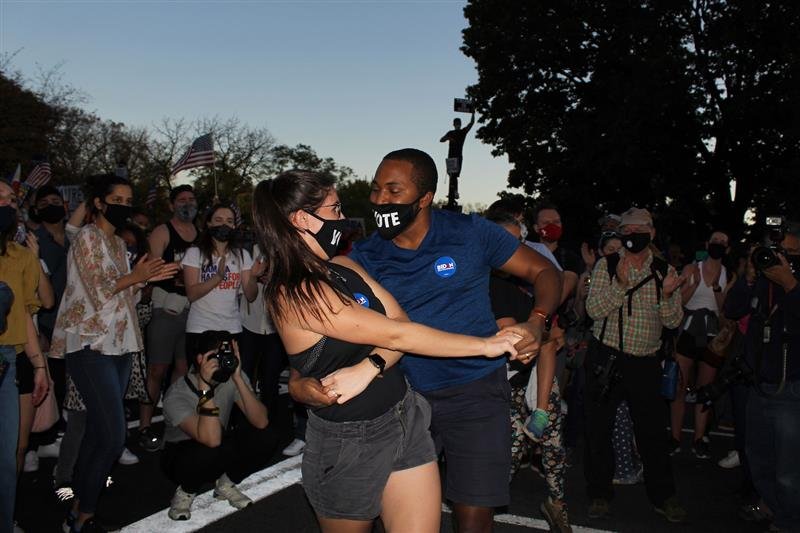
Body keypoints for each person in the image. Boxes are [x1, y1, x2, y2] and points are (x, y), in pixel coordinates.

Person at [292, 149, 561, 532]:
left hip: (476, 394)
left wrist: (537, 322)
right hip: (404, 402)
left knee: (474, 518)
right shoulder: (364, 256)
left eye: (393, 190)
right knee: (402, 518)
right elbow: (326, 333)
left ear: (424, 198)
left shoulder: (471, 232)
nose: (379, 200)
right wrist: (299, 379)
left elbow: (543, 271)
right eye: (375, 189)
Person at [50, 173, 178, 533]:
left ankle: (78, 506)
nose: (124, 206)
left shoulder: (120, 246)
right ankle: (83, 515)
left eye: (128, 200)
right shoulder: (87, 238)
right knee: (112, 435)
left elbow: (123, 296)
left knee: (98, 433)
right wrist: (137, 277)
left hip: (120, 344)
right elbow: (97, 288)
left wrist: (145, 281)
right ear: (100, 204)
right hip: (91, 345)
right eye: (117, 200)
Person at [584, 207, 688, 523]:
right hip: (607, 357)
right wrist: (620, 285)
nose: (632, 236)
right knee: (598, 431)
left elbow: (673, 320)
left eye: (638, 229)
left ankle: (663, 497)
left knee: (653, 433)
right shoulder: (607, 264)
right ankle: (599, 495)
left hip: (645, 363)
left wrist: (669, 295)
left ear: (652, 233)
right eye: (626, 231)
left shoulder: (664, 271)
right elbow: (593, 309)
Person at [485, 208, 572, 533]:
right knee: (507, 451)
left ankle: (557, 504)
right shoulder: (480, 284)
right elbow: (521, 341)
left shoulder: (521, 287)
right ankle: (483, 508)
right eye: (507, 242)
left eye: (520, 243)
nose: (515, 251)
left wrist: (541, 408)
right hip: (493, 383)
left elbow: (546, 342)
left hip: (531, 379)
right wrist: (546, 331)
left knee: (551, 436)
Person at [724, 221, 800, 533]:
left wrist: (791, 284)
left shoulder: (790, 281)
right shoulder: (763, 280)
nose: (782, 258)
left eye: (792, 252)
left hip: (792, 388)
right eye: (778, 251)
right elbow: (733, 309)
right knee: (759, 461)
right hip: (759, 385)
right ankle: (775, 509)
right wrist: (749, 277)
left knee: (789, 471)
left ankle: (789, 522)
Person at [162, 330, 278, 521]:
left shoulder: (231, 378)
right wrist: (205, 389)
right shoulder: (177, 393)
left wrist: (239, 379)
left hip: (214, 443)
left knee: (267, 436)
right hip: (180, 455)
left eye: (229, 355)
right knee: (207, 449)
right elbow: (211, 440)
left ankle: (226, 484)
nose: (225, 360)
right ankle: (186, 491)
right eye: (218, 356)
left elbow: (261, 421)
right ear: (200, 359)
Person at [0, 179, 48, 533]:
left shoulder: (21, 258)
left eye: (11, 199)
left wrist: (39, 366)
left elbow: (26, 318)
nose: (7, 204)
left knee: (8, 456)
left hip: (9, 362)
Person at [139, 184, 198, 452]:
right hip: (166, 308)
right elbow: (149, 269)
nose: (188, 203)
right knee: (156, 370)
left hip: (194, 309)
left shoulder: (200, 234)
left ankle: (174, 422)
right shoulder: (163, 232)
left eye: (192, 199)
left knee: (183, 369)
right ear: (173, 205)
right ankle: (144, 427)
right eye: (182, 199)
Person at [670, 231, 734, 458]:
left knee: (705, 391)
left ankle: (699, 438)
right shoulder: (691, 269)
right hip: (688, 328)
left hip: (712, 333)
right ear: (707, 244)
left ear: (727, 249)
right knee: (679, 387)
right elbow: (678, 302)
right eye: (715, 240)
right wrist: (694, 284)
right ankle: (675, 437)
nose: (718, 244)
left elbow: (725, 311)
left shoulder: (728, 274)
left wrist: (716, 287)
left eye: (723, 242)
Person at [182, 202, 261, 365]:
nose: (224, 225)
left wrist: (253, 276)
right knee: (202, 380)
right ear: (209, 223)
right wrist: (217, 278)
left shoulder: (242, 255)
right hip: (200, 328)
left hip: (232, 328)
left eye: (229, 221)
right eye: (218, 220)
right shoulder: (194, 253)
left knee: (230, 382)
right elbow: (192, 294)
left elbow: (251, 296)